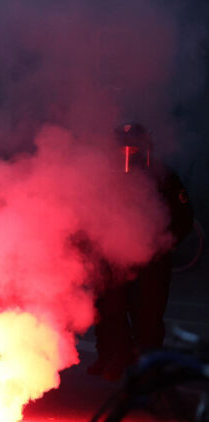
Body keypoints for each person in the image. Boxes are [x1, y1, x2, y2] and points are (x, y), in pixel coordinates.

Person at [89, 122, 194, 380]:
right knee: (110, 310)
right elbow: (86, 215)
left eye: (133, 145)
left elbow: (183, 217)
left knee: (148, 314)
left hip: (152, 257)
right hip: (111, 257)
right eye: (123, 146)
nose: (128, 152)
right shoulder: (102, 178)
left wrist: (163, 245)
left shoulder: (164, 177)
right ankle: (115, 359)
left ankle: (148, 366)